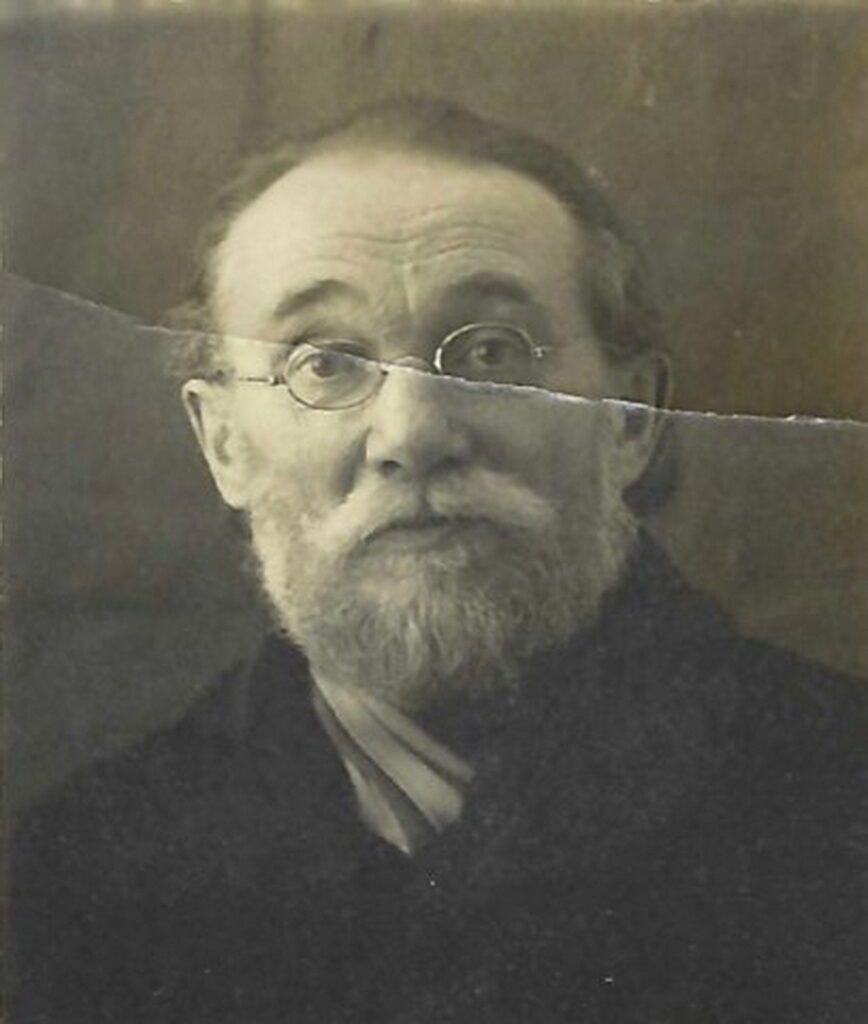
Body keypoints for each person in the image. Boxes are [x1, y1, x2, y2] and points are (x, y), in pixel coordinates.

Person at [12, 98, 866, 1024]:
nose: (412, 435)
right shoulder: (87, 872)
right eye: (324, 362)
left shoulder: (836, 791)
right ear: (224, 445)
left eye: (491, 351)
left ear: (629, 420)